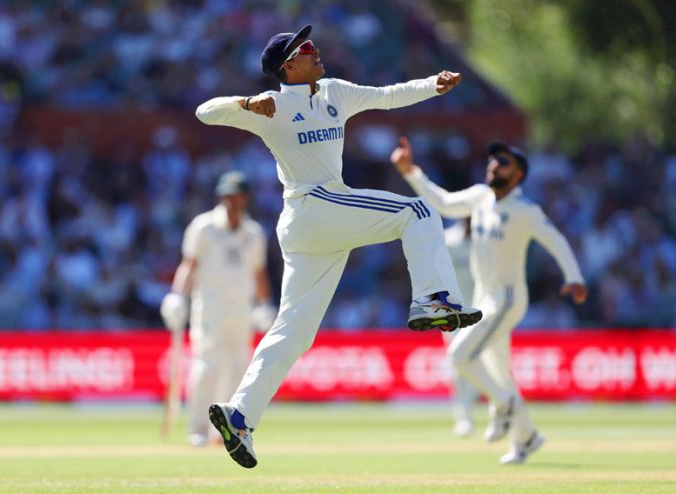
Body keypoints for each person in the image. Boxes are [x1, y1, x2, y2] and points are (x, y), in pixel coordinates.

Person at [194, 24, 483, 468]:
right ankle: (433, 301)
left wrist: (433, 86)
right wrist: (246, 104)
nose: (316, 50)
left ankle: (240, 415)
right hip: (311, 206)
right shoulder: (272, 106)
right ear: (288, 65)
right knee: (419, 212)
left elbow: (386, 96)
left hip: (316, 224)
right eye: (306, 48)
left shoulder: (334, 91)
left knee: (294, 333)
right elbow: (204, 112)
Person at [390, 136, 587, 464]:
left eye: (503, 162)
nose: (494, 165)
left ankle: (503, 403)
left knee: (458, 354)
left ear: (519, 175)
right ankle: (526, 438)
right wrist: (411, 172)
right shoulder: (481, 197)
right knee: (498, 372)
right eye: (493, 160)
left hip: (507, 298)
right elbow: (446, 203)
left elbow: (556, 240)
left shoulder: (525, 211)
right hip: (484, 297)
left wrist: (574, 277)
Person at [159, 170, 276, 447]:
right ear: (221, 197)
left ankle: (226, 429)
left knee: (238, 368)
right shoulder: (204, 227)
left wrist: (264, 304)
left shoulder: (254, 233)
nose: (232, 202)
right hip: (210, 309)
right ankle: (198, 427)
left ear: (245, 198)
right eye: (227, 196)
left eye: (237, 196)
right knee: (208, 367)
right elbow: (189, 265)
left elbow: (258, 273)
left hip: (242, 311)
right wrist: (178, 296)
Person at [442, 219, 479, 437]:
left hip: (482, 310)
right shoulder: (447, 240)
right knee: (457, 362)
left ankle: (499, 411)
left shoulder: (486, 240)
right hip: (453, 313)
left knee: (482, 362)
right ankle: (463, 416)